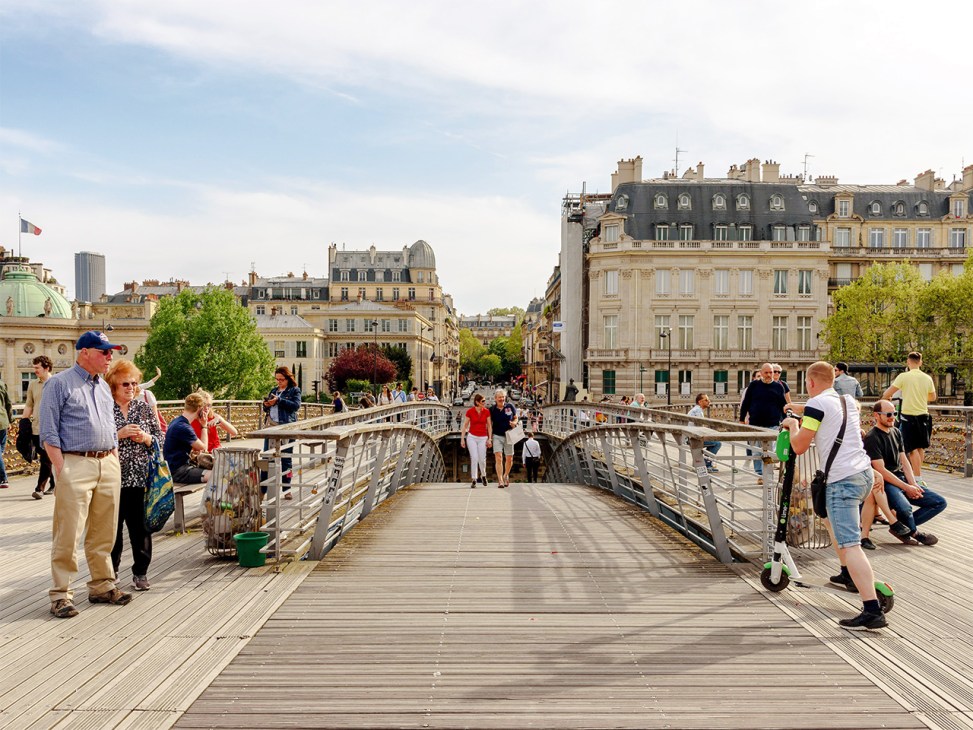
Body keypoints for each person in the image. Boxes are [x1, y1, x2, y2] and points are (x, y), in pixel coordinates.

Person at [780, 361, 888, 630]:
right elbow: (826, 411)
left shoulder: (816, 405)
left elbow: (800, 445)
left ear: (811, 383)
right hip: (863, 473)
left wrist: (793, 423)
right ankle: (845, 573)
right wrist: (802, 408)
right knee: (828, 519)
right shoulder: (848, 400)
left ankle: (872, 609)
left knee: (851, 544)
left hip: (842, 481)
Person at [40, 330, 131, 619]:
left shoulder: (103, 387)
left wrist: (113, 456)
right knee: (69, 531)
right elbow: (49, 432)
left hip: (107, 462)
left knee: (105, 531)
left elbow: (108, 423)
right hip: (75, 463)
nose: (109, 357)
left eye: (110, 351)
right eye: (104, 351)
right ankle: (61, 594)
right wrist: (61, 468)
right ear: (84, 353)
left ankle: (102, 585)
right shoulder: (58, 384)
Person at [107, 359, 163, 592]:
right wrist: (118, 434)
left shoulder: (143, 408)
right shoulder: (105, 409)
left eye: (134, 383)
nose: (131, 388)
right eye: (125, 384)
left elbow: (160, 438)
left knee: (140, 528)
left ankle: (140, 573)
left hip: (141, 477)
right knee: (112, 529)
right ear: (114, 387)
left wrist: (147, 439)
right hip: (112, 478)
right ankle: (112, 571)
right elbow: (94, 439)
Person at [863, 400, 946, 546]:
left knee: (939, 502)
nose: (892, 417)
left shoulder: (896, 431)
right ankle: (914, 533)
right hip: (886, 482)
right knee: (904, 508)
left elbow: (904, 460)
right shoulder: (872, 438)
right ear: (876, 415)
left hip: (902, 479)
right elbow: (881, 469)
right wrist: (906, 487)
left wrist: (913, 483)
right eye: (888, 414)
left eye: (894, 413)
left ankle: (901, 527)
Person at [882, 352, 936, 480]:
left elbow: (887, 393)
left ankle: (917, 477)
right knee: (920, 447)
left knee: (911, 449)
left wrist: (888, 399)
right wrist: (922, 396)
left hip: (909, 416)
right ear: (920, 362)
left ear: (908, 362)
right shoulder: (927, 378)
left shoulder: (903, 376)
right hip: (924, 415)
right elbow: (933, 397)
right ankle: (918, 475)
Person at [738, 363, 787, 484]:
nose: (769, 375)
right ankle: (760, 474)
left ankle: (766, 474)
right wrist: (742, 418)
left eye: (771, 372)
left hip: (773, 423)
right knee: (756, 451)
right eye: (767, 373)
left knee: (769, 451)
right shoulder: (754, 385)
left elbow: (783, 405)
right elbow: (746, 403)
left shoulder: (778, 387)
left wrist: (786, 420)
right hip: (755, 423)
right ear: (761, 373)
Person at [262, 367, 302, 497]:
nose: (279, 382)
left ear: (288, 378)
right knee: (267, 457)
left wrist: (279, 400)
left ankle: (287, 489)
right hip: (272, 427)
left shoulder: (294, 390)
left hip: (287, 427)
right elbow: (266, 408)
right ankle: (263, 489)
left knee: (286, 459)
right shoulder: (274, 390)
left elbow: (295, 406)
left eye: (281, 379)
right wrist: (266, 404)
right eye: (277, 379)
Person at [24, 355, 56, 497]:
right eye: (34, 367)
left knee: (46, 458)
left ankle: (39, 488)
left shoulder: (57, 383)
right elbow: (29, 404)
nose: (35, 370)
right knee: (46, 458)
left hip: (52, 428)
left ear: (46, 368)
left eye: (37, 368)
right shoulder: (32, 384)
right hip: (36, 427)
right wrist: (23, 422)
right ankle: (54, 484)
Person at [164, 392, 212, 485]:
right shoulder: (184, 427)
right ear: (199, 408)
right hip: (179, 471)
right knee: (217, 475)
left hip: (173, 468)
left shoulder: (176, 421)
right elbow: (203, 447)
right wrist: (204, 426)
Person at [487, 388, 518, 488]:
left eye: (503, 397)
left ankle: (505, 475)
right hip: (497, 435)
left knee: (509, 458)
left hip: (509, 434)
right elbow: (489, 424)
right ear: (495, 398)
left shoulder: (510, 406)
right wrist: (489, 438)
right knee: (499, 457)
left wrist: (514, 423)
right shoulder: (492, 409)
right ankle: (500, 480)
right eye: (500, 397)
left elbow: (516, 417)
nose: (502, 399)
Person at [460, 393, 492, 488]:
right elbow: (465, 425)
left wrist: (489, 439)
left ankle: (483, 475)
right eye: (483, 401)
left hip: (483, 437)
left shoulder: (486, 412)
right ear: (477, 402)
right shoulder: (470, 411)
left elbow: (489, 426)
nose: (484, 403)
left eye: (484, 401)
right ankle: (474, 479)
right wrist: (462, 438)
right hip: (472, 437)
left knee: (482, 459)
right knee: (474, 458)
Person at [688, 393, 721, 472]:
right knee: (717, 443)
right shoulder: (697, 411)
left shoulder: (696, 409)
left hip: (691, 436)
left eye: (708, 400)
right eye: (706, 400)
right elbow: (699, 427)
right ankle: (707, 465)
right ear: (700, 402)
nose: (708, 401)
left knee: (713, 442)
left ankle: (706, 463)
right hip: (694, 439)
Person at [0, 372, 10, 490]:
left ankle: (3, 478)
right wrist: (10, 419)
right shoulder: (2, 384)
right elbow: (8, 403)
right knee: (0, 449)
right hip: (3, 420)